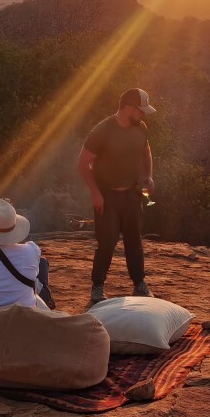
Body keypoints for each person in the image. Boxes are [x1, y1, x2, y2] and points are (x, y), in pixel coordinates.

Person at [77, 87, 156, 306]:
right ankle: (98, 287)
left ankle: (139, 283)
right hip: (107, 197)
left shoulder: (140, 128)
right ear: (128, 108)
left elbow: (145, 152)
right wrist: (95, 193)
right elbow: (83, 165)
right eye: (140, 111)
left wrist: (148, 176)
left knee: (134, 241)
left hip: (132, 194)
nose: (143, 115)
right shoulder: (102, 131)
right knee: (107, 242)